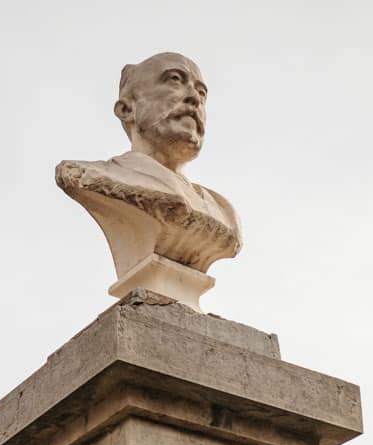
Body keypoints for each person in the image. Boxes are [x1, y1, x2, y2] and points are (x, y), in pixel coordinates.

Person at [56, 53, 241, 287]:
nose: (194, 98)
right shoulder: (92, 177)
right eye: (174, 79)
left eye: (202, 93)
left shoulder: (223, 212)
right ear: (126, 109)